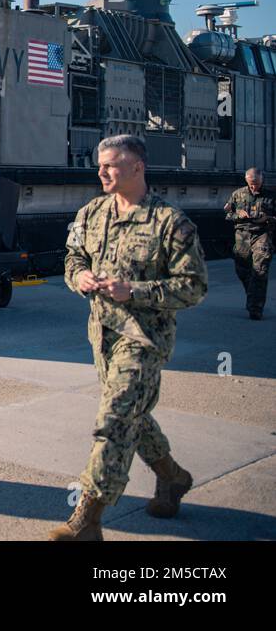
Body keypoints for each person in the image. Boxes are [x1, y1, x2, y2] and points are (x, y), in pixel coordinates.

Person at [52, 134, 207, 540]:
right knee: (132, 414)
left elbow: (193, 286)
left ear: (137, 167)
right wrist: (79, 277)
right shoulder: (91, 213)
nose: (101, 171)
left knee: (116, 416)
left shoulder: (170, 222)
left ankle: (87, 520)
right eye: (99, 164)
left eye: (111, 164)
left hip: (145, 338)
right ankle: (172, 477)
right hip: (102, 335)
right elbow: (73, 257)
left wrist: (134, 291)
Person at [224, 167, 275, 320]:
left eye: (257, 184)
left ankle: (255, 308)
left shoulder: (271, 196)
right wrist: (237, 214)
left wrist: (267, 218)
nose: (254, 187)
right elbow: (227, 214)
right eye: (251, 184)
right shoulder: (237, 195)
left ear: (262, 180)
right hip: (242, 236)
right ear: (246, 180)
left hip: (262, 235)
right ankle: (253, 295)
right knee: (242, 270)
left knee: (260, 270)